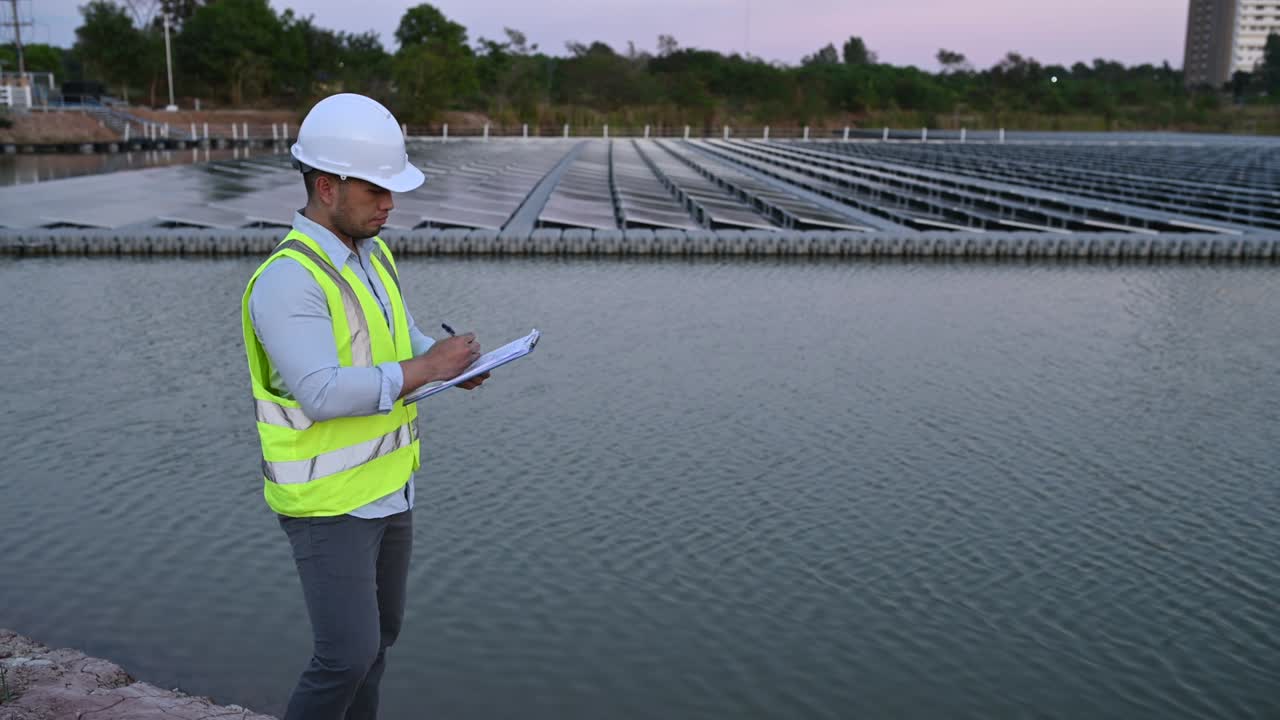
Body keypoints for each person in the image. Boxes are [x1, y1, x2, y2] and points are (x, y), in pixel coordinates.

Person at [240, 92, 489, 720]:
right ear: (326, 186)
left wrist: (452, 364)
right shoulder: (287, 280)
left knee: (377, 645)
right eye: (376, 190)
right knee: (344, 657)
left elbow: (402, 343)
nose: (390, 204)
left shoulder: (373, 255)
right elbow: (320, 392)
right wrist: (424, 369)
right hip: (327, 503)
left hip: (390, 486)